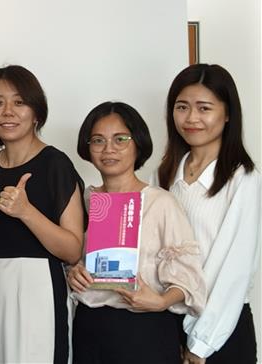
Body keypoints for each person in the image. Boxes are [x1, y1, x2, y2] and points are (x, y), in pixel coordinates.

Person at [0, 65, 84, 364]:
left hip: (39, 287)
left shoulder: (55, 164)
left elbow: (72, 250)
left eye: (19, 102)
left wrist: (26, 212)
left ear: (36, 112)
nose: (8, 112)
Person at [68, 101, 206, 363]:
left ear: (138, 143)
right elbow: (69, 255)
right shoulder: (84, 200)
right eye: (98, 140)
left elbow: (189, 277)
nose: (108, 149)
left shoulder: (160, 202)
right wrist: (73, 272)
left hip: (145, 329)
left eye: (120, 139)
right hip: (89, 327)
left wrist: (161, 301)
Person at [156, 64, 259, 364]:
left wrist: (201, 343)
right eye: (182, 107)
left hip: (220, 331)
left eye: (204, 108)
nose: (191, 118)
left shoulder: (242, 178)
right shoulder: (163, 175)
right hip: (167, 324)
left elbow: (235, 270)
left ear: (227, 114)